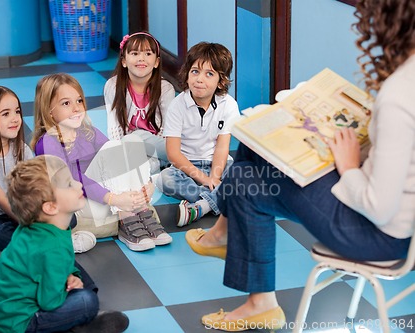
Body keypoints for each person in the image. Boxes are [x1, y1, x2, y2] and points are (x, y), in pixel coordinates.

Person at [193, 0, 415, 330]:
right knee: (254, 151)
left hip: (377, 235)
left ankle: (255, 292)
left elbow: (379, 207)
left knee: (243, 180)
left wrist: (350, 165)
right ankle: (226, 235)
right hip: (394, 224)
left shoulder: (399, 93)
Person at [0, 155, 129, 333]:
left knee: (79, 287)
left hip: (0, 309)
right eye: (69, 184)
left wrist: (69, 276)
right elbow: (50, 301)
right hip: (21, 322)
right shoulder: (51, 246)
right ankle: (78, 327)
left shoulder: (36, 228)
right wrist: (65, 285)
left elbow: (46, 269)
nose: (78, 184)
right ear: (51, 207)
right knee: (87, 301)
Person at [31, 73, 172, 252]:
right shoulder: (48, 142)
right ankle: (127, 217)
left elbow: (119, 158)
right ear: (49, 110)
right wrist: (114, 198)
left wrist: (146, 184)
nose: (76, 108)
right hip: (79, 202)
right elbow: (71, 181)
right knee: (114, 147)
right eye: (66, 103)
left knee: (130, 142)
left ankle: (140, 209)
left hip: (104, 197)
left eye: (79, 101)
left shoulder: (89, 131)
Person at [0, 85, 94, 259]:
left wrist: (51, 212)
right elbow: (2, 200)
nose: (15, 119)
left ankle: (30, 247)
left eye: (17, 112)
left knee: (70, 217)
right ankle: (56, 244)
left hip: (21, 210)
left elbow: (38, 185)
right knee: (0, 235)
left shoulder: (22, 149)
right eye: (6, 114)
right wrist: (42, 224)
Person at [156, 42, 240, 227]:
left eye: (209, 74)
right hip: (186, 166)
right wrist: (206, 180)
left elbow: (222, 147)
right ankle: (220, 199)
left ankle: (201, 206)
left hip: (217, 164)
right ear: (186, 74)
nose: (199, 79)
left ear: (221, 81)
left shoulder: (229, 105)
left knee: (243, 176)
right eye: (195, 71)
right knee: (165, 180)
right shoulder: (178, 105)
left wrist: (215, 177)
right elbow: (173, 154)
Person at [105, 31, 176, 174]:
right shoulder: (113, 86)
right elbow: (114, 126)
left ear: (156, 62)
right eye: (135, 53)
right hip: (129, 146)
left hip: (159, 143)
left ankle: (170, 160)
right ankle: (156, 165)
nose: (141, 58)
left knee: (137, 137)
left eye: (148, 54)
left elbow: (165, 130)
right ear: (124, 61)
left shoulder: (166, 89)